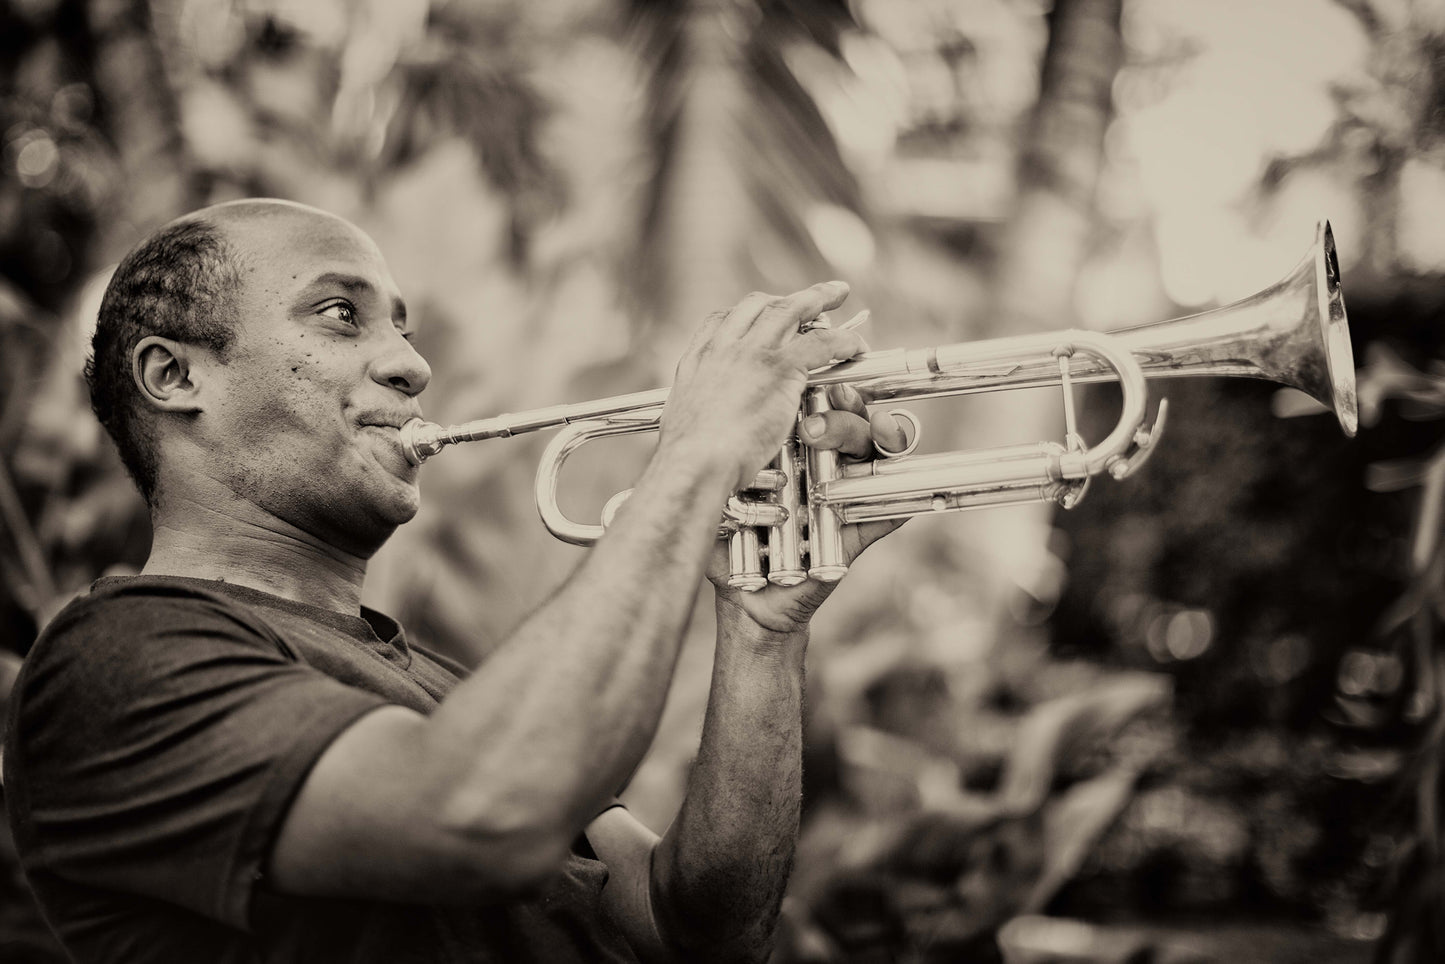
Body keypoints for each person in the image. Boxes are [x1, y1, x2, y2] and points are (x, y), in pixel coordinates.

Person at [3, 198, 906, 963]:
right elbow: (484, 812)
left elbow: (689, 928)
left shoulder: (436, 683)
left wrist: (760, 629)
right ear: (175, 375)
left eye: (400, 323)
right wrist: (698, 452)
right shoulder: (114, 659)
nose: (411, 364)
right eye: (339, 316)